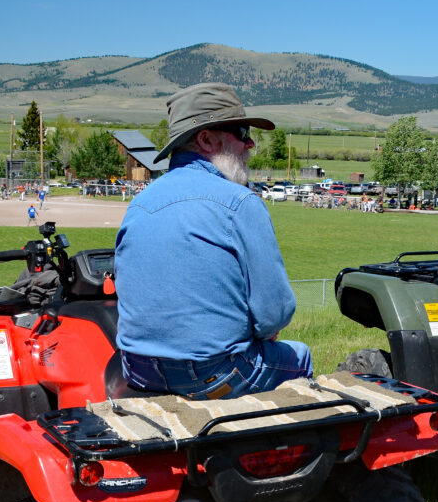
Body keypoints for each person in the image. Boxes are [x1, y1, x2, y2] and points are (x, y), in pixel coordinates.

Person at [115, 83, 313, 400]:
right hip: (209, 375)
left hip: (138, 370)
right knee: (299, 356)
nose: (250, 144)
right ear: (206, 139)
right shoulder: (239, 202)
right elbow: (275, 314)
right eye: (241, 131)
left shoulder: (140, 203)